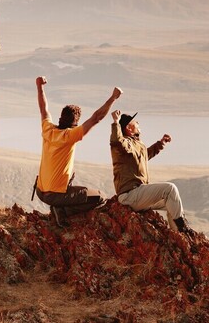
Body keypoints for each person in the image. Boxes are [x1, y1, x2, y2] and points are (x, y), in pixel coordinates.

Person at [34, 77, 122, 225]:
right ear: (75, 124)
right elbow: (96, 118)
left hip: (40, 191)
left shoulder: (48, 129)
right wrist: (113, 98)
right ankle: (62, 211)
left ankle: (59, 207)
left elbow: (44, 109)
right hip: (55, 195)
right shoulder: (70, 136)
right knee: (100, 197)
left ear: (61, 117)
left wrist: (39, 87)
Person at [109, 110, 192, 233]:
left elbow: (144, 156)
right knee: (170, 189)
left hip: (139, 194)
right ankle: (182, 228)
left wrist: (160, 144)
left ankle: (179, 234)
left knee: (172, 202)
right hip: (130, 195)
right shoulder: (124, 144)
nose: (138, 122)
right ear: (128, 128)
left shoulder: (136, 144)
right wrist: (116, 122)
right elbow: (116, 142)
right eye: (135, 122)